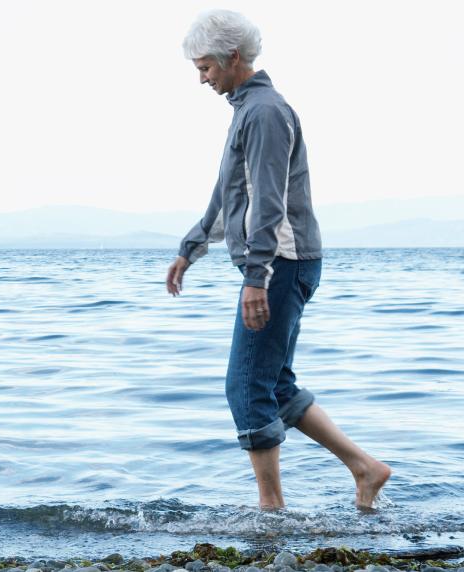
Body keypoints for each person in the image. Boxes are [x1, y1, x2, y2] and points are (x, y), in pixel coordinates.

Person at [165, 9, 391, 509]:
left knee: (245, 386)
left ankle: (271, 509)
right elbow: (232, 197)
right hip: (282, 264)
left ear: (233, 58)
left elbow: (268, 202)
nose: (202, 79)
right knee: (274, 382)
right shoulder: (248, 109)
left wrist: (255, 278)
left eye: (205, 67)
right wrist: (191, 250)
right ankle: (365, 469)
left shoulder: (265, 111)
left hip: (281, 264)